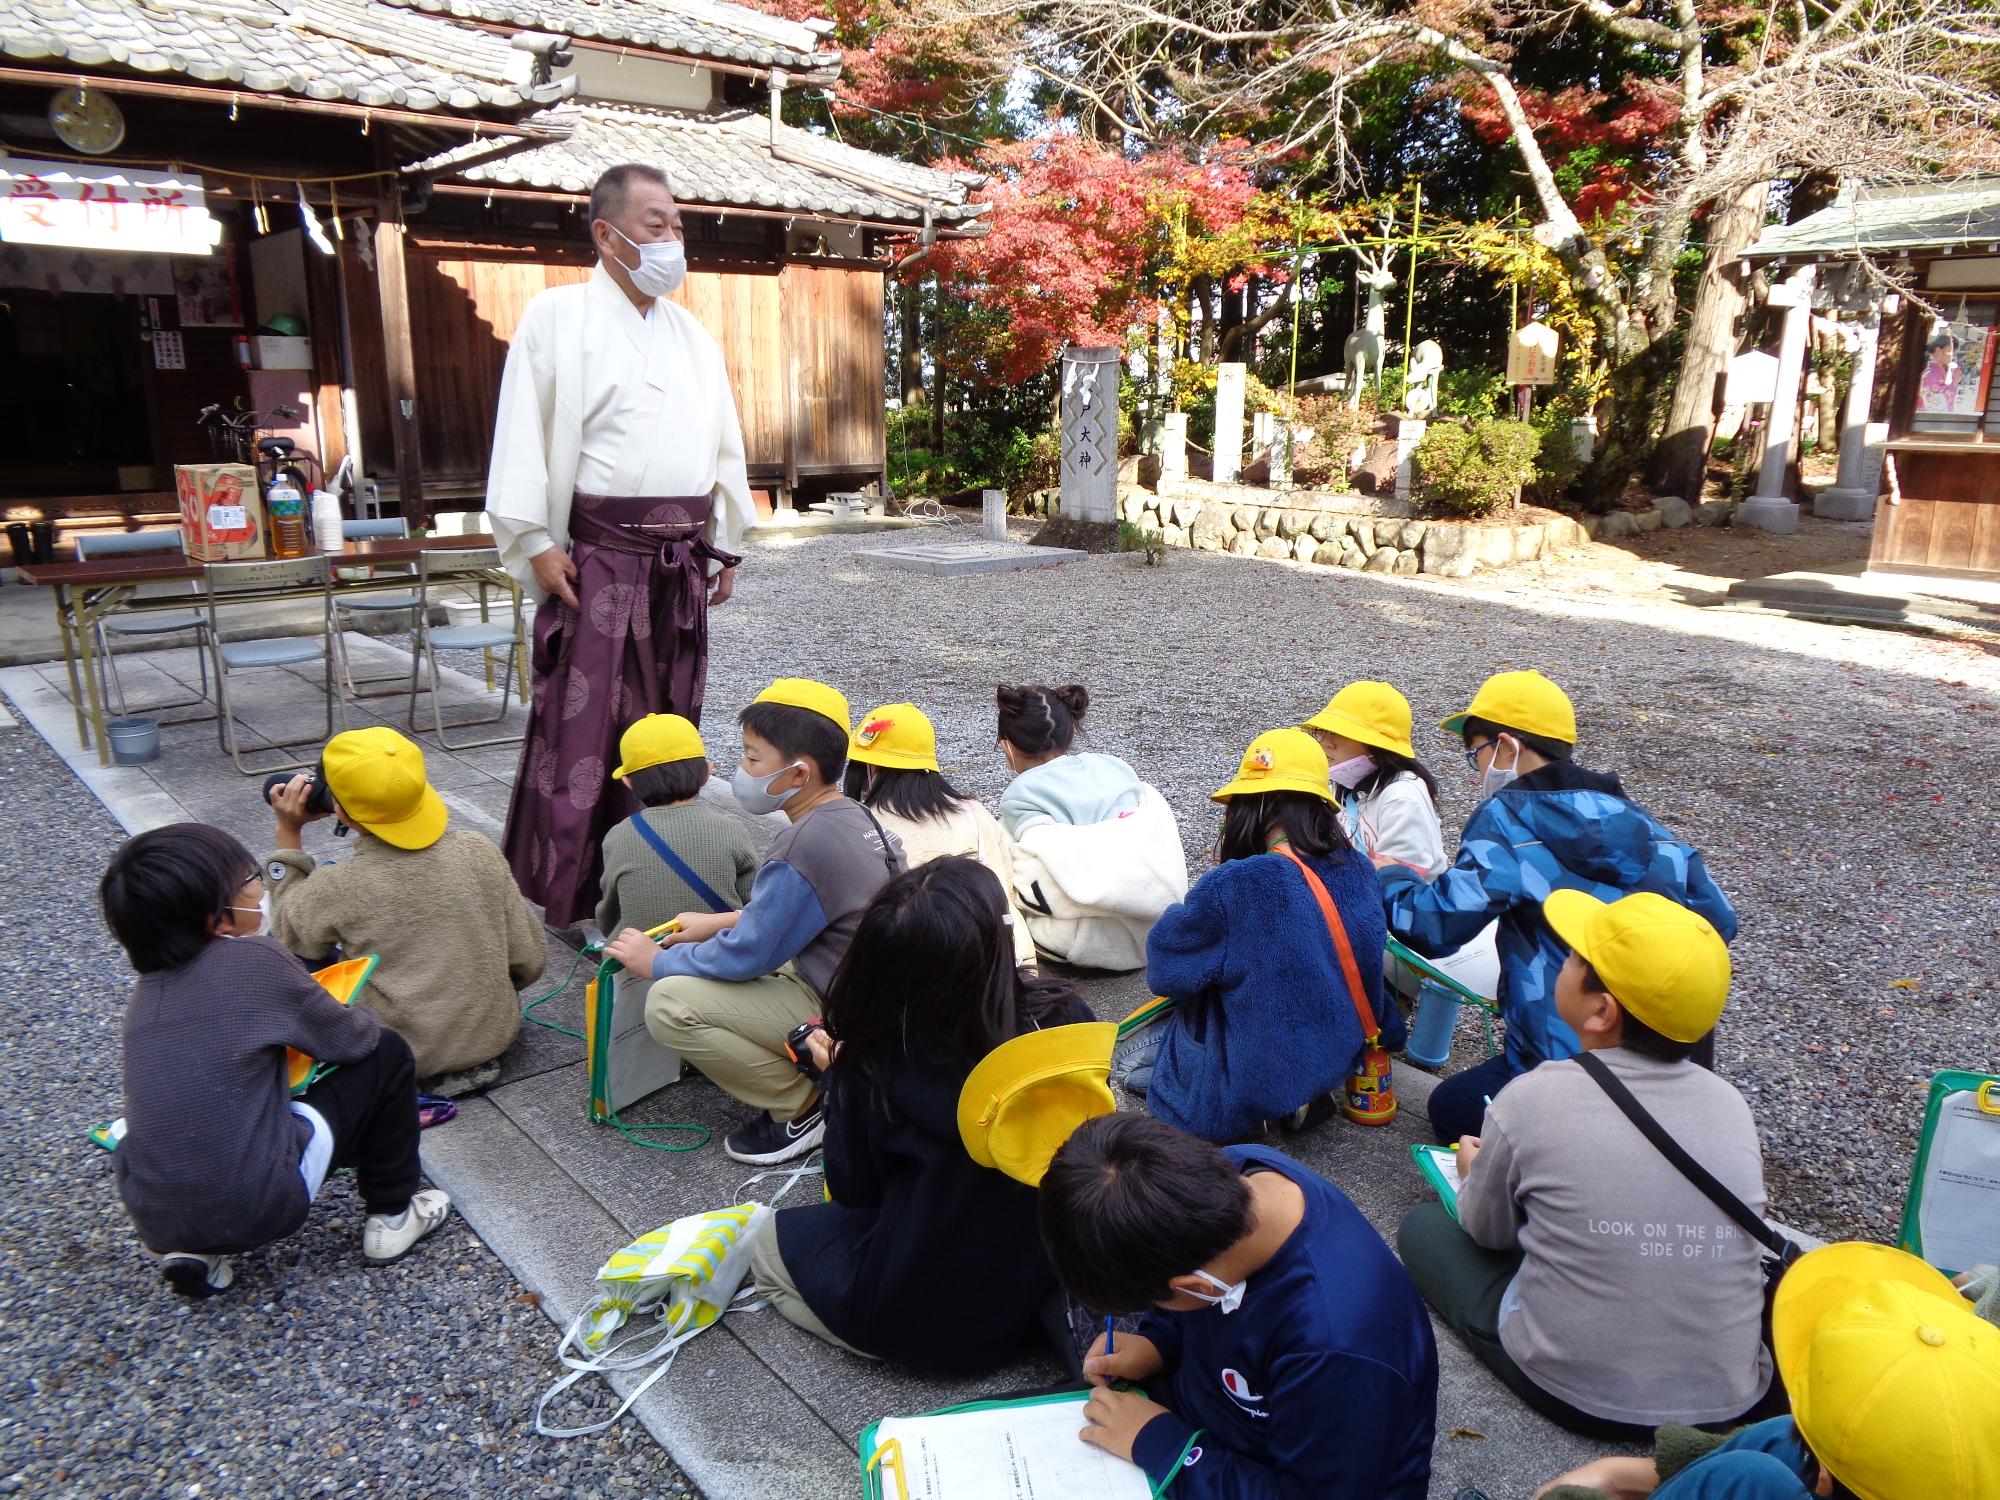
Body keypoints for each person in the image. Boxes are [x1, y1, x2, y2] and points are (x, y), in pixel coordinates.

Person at [486, 162, 756, 928]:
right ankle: (570, 896)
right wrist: (535, 539)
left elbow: (721, 446)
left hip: (678, 563)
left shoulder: (691, 334)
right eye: (655, 224)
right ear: (606, 234)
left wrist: (724, 541)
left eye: (678, 225)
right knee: (582, 733)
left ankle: (656, 887)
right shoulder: (556, 317)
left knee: (667, 731)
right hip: (597, 559)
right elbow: (522, 436)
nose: (673, 239)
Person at [1399, 891, 1771, 1438]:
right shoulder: (1730, 1105)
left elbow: (1489, 1232)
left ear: (1601, 1011)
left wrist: (1475, 1172)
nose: (1563, 961)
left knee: (1424, 1228)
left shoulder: (1532, 1096)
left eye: (1572, 958)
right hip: (1725, 1398)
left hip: (1583, 1396)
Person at [751, 858, 1093, 1371]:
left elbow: (853, 1192)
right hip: (1039, 1276)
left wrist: (834, 1084)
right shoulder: (1064, 1019)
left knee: (766, 1245)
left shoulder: (873, 1063)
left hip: (931, 1323)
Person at [1379, 669, 1737, 1142]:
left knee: (1449, 1109)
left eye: (1477, 755)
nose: (1479, 772)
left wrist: (1390, 874)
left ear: (1507, 747)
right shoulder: (1643, 824)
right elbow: (1720, 921)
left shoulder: (1509, 819)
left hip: (1563, 1066)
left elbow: (1431, 924)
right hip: (1674, 1070)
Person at [102, 823, 451, 1297]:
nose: (260, 889)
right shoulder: (255, 960)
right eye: (249, 879)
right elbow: (350, 1041)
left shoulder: (142, 1004)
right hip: (264, 1205)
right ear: (216, 917)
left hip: (155, 1215)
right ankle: (392, 1218)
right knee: (386, 1053)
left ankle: (196, 1250)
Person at [1039, 1113, 1437, 1500]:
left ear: (1194, 1286)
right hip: (1217, 1422)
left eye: (1156, 1303)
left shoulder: (1333, 1350)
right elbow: (1187, 1306)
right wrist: (1158, 1341)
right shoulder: (1233, 1178)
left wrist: (1159, 1444)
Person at [605, 679, 902, 1166]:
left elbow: (746, 954)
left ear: (798, 773)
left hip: (836, 1008)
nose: (741, 769)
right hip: (867, 998)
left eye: (752, 758)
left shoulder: (802, 843)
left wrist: (658, 962)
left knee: (668, 1004)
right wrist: (717, 920)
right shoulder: (853, 816)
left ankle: (808, 1104)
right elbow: (807, 911)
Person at [1535, 1242, 2000, 1500]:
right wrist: (1616, 1472)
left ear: (1818, 1480)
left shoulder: (1755, 1479)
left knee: (1750, 1473)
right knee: (1777, 1438)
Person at [1139, 728, 1400, 1142]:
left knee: (1141, 1059)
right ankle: (1301, 1097)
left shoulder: (1237, 883)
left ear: (1254, 805)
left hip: (1258, 1075)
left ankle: (1247, 1111)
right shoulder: (1358, 867)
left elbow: (1167, 973)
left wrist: (1187, 908)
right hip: (1335, 1056)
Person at [266, 727, 546, 1096]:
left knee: (285, 943)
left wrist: (289, 831)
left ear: (340, 811)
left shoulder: (339, 887)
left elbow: (290, 934)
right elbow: (530, 959)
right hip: (491, 1036)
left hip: (399, 1051)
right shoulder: (477, 850)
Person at [1304, 680, 1498, 1004]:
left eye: (1337, 733)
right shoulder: (1345, 785)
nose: (1326, 742)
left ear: (1374, 745)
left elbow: (1404, 882)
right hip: (1363, 909)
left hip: (1405, 933)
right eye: (1322, 732)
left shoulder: (1402, 795)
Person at [996, 683, 1187, 970]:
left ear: (1007, 745)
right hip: (1152, 931)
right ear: (1070, 729)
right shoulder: (1115, 767)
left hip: (1084, 943)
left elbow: (1030, 870)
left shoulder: (1021, 795)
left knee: (1004, 844)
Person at [842, 701, 1035, 968]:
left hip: (922, 973)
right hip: (1009, 962)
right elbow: (1006, 887)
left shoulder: (861, 823)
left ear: (869, 769)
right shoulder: (974, 813)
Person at [595, 712, 759, 938]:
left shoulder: (618, 836)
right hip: (720, 961)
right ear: (707, 774)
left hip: (641, 967)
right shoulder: (732, 829)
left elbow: (609, 915)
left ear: (628, 782)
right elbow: (753, 905)